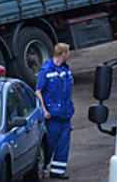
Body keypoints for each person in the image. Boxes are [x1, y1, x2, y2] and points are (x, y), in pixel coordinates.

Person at [36, 42, 74, 179]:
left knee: (64, 144)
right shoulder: (46, 70)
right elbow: (38, 91)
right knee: (50, 144)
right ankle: (43, 168)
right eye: (68, 52)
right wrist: (44, 110)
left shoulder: (65, 69)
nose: (68, 55)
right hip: (52, 117)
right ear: (64, 54)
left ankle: (57, 172)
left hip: (65, 114)